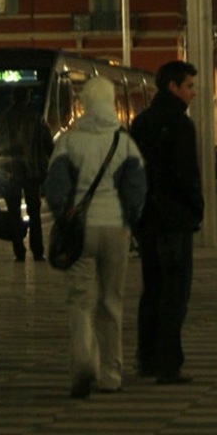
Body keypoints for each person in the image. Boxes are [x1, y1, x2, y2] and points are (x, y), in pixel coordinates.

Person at [42, 75, 146, 397]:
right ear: (111, 102)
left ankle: (84, 362)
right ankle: (112, 374)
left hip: (81, 229)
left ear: (84, 103)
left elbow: (54, 186)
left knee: (80, 300)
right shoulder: (124, 142)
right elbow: (136, 188)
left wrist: (65, 214)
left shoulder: (69, 141)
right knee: (111, 302)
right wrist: (129, 221)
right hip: (116, 228)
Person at [131, 60, 203, 384]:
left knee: (153, 291)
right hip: (174, 219)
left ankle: (146, 358)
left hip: (147, 218)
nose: (193, 93)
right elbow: (186, 175)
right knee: (175, 292)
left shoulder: (141, 122)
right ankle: (168, 363)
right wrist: (195, 208)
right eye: (189, 86)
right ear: (173, 87)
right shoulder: (181, 125)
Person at [0, 92, 53, 263]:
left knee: (13, 213)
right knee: (34, 212)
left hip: (10, 172)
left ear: (13, 98)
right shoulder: (36, 118)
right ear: (27, 98)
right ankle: (38, 251)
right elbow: (48, 144)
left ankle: (19, 251)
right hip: (32, 172)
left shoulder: (2, 119)